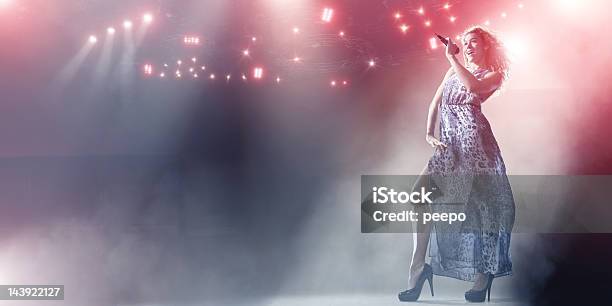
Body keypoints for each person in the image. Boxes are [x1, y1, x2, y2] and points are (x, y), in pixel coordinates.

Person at [398, 26, 515, 302]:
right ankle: (418, 268)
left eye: (474, 42)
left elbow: (472, 88)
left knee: (482, 210)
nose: (469, 46)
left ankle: (484, 275)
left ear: (487, 46)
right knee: (419, 196)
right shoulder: (453, 71)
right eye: (466, 43)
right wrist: (429, 133)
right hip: (450, 148)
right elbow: (435, 104)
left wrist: (452, 58)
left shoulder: (492, 75)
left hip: (477, 149)